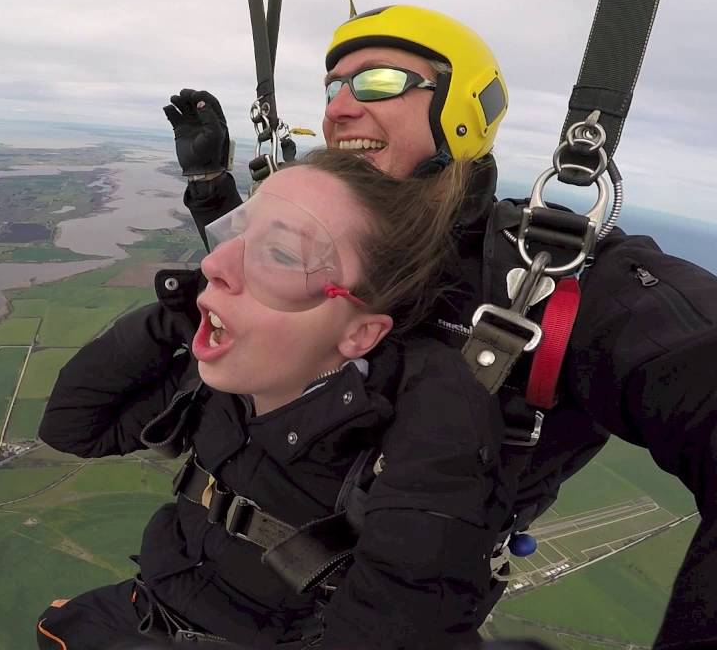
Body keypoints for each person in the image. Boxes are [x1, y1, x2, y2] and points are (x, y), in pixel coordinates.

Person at [152, 5, 717, 648]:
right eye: (332, 87)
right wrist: (211, 192)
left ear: (462, 110)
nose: (337, 108)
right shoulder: (327, 231)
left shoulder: (552, 278)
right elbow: (261, 283)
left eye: (374, 84)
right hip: (170, 581)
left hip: (345, 621)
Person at [37, 150, 512, 649]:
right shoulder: (226, 386)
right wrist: (174, 316)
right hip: (138, 613)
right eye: (238, 237)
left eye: (282, 254)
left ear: (361, 334)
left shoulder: (404, 447)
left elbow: (404, 619)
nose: (212, 263)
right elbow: (72, 427)